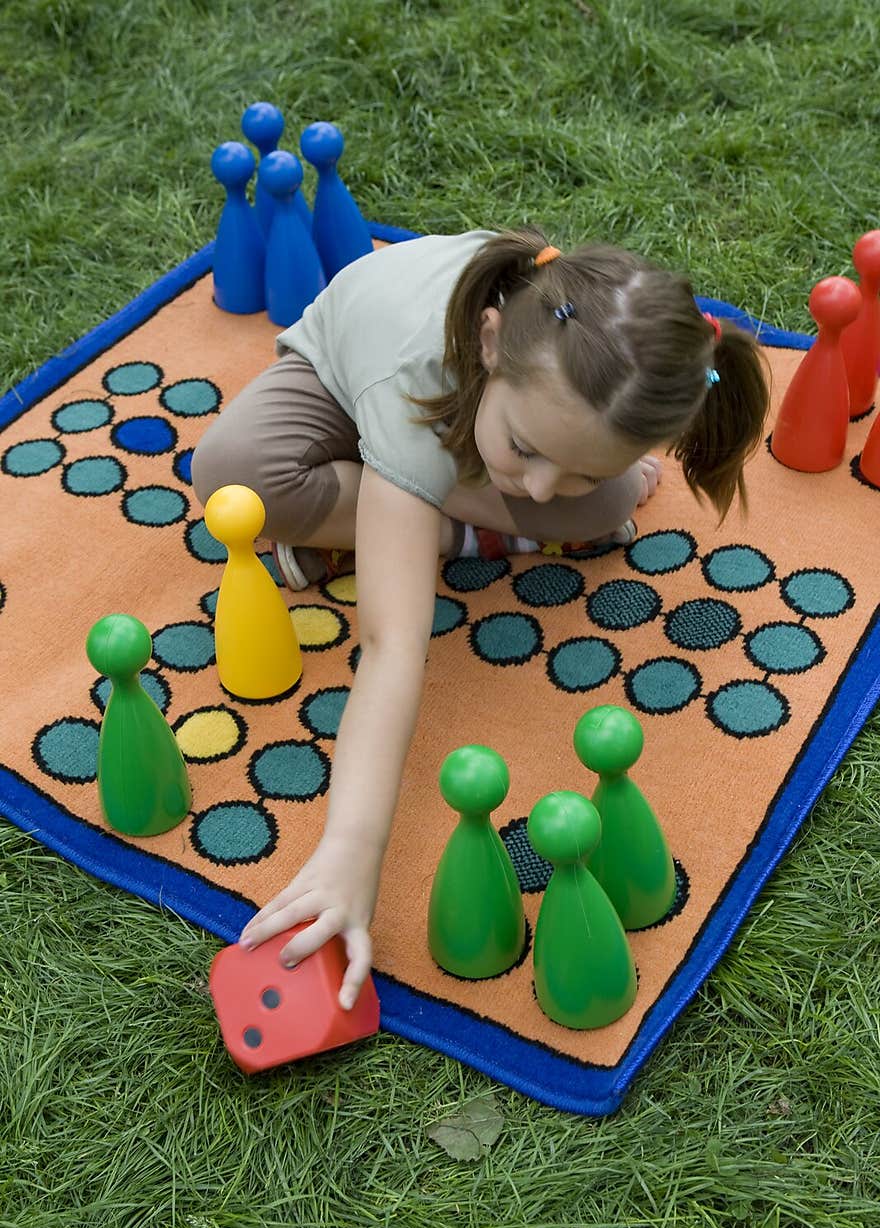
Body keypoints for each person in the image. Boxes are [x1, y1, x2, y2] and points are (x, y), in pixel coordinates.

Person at [191, 224, 770, 1009]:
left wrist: (564, 472)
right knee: (235, 474)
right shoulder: (412, 368)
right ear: (491, 342)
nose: (536, 487)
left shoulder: (571, 375)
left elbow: (555, 466)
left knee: (600, 506)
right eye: (527, 449)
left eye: (569, 464)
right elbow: (393, 645)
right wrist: (349, 854)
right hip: (347, 391)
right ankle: (424, 509)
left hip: (460, 427)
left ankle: (421, 512)